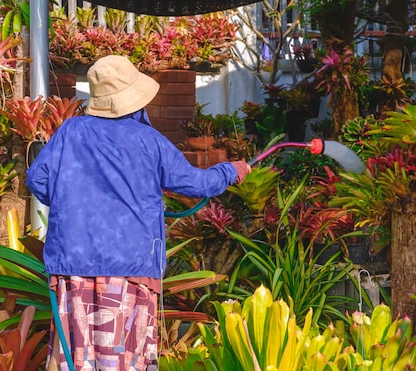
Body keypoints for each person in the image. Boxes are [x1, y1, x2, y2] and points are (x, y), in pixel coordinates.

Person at [26, 55, 251, 371]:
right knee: (125, 358)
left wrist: (73, 201)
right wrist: (232, 170)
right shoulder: (149, 140)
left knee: (73, 357)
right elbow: (196, 183)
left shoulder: (70, 131)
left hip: (74, 265)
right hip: (130, 268)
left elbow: (37, 178)